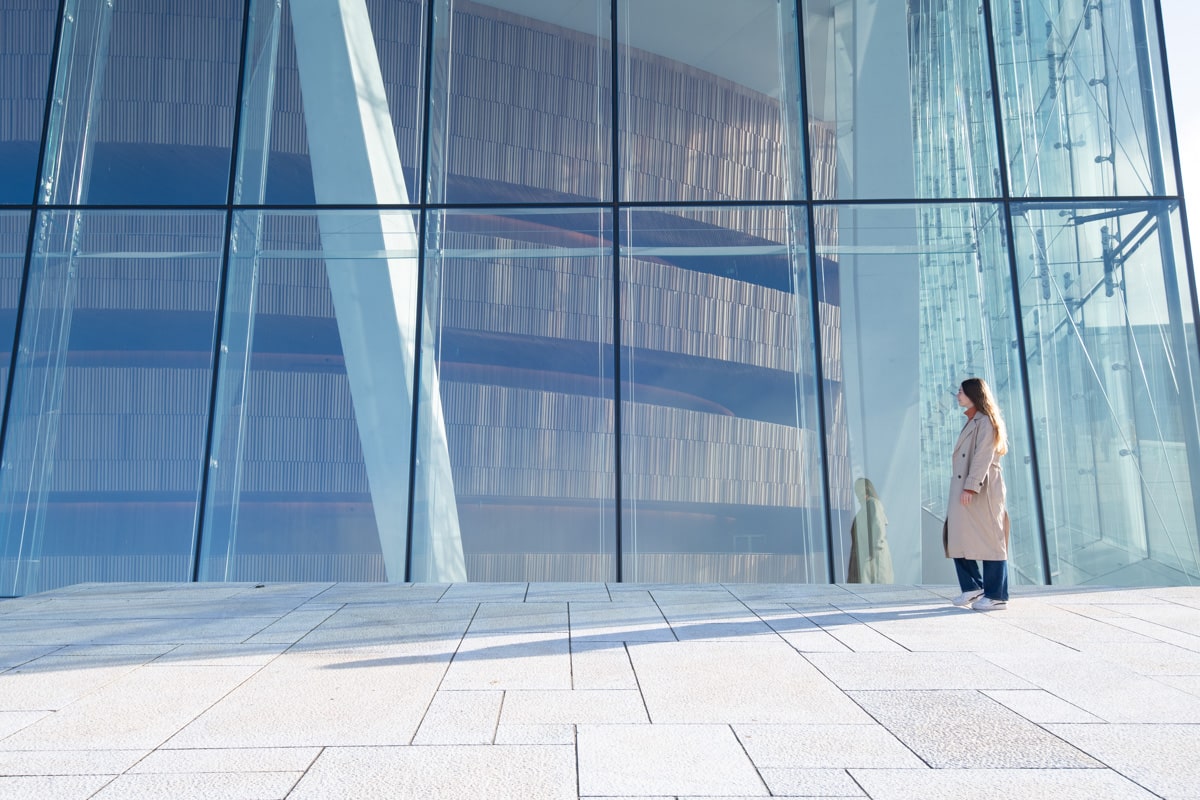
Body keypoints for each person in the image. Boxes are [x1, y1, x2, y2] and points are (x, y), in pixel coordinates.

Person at [944, 377, 1010, 610]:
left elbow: (983, 456)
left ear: (973, 394)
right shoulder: (974, 420)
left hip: (982, 489)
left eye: (961, 392)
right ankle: (972, 587)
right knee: (957, 536)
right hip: (966, 487)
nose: (957, 395)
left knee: (991, 540)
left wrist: (971, 487)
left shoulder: (986, 422)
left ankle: (996, 595)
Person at [847, 477, 893, 583]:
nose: (857, 494)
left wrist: (872, 557)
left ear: (866, 489)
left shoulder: (873, 504)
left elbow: (879, 533)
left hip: (870, 564)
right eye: (856, 491)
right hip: (863, 561)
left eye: (859, 490)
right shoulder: (863, 511)